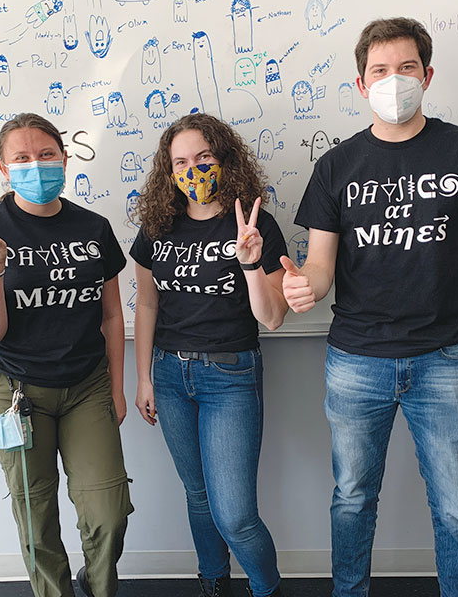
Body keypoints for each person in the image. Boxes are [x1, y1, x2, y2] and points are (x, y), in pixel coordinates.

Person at [281, 18, 458, 597]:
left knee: (456, 505)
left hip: (445, 359)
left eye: (405, 68)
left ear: (427, 75)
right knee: (351, 498)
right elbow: (319, 266)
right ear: (359, 83)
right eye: (379, 70)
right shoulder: (337, 167)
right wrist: (305, 288)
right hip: (355, 361)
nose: (393, 80)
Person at [0, 113, 132, 597]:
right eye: (22, 158)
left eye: (46, 154)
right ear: (3, 167)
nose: (36, 165)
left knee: (108, 512)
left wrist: (116, 388)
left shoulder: (93, 227)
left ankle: (96, 588)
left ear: (64, 158)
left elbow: (112, 316)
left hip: (87, 385)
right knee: (36, 514)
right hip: (15, 390)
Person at [130, 113, 289, 597]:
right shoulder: (159, 225)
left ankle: (266, 590)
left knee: (236, 514)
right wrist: (143, 379)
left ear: (224, 158)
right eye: (180, 161)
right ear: (168, 170)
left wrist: (249, 264)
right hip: (169, 373)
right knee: (197, 497)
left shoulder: (255, 225)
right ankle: (213, 582)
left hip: (230, 375)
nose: (193, 169)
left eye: (203, 157)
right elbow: (147, 302)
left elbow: (273, 318)